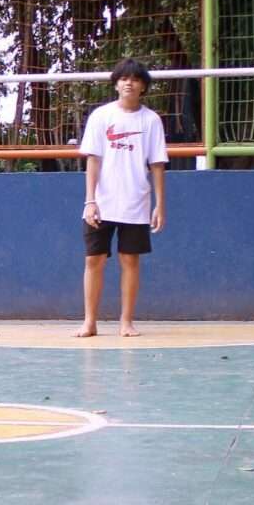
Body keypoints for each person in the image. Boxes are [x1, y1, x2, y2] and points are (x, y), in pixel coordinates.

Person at [75, 58, 167, 338]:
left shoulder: (151, 120)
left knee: (130, 261)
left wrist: (159, 204)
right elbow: (93, 159)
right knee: (94, 260)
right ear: (116, 83)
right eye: (124, 78)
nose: (129, 82)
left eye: (136, 79)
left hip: (136, 203)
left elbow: (157, 165)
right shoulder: (101, 117)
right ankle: (89, 322)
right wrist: (90, 200)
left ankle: (126, 321)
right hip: (102, 204)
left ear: (143, 87)